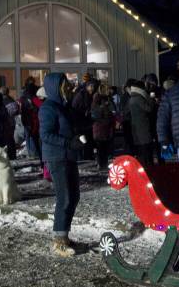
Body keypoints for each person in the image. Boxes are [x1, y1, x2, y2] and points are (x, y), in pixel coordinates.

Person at [39, 72, 82, 257]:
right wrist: (68, 142)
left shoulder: (63, 106)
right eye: (64, 85)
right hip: (57, 157)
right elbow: (45, 135)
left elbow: (70, 127)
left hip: (68, 156)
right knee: (64, 197)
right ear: (55, 87)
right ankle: (58, 241)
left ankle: (64, 235)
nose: (68, 88)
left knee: (74, 195)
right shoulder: (48, 108)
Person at [124, 79, 157, 165]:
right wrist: (152, 99)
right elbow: (149, 109)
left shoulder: (132, 98)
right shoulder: (138, 98)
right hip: (143, 128)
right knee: (146, 152)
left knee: (142, 152)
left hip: (138, 128)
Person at [91, 85, 116, 171]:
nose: (108, 91)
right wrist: (105, 108)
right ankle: (101, 165)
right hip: (100, 128)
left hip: (106, 128)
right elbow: (96, 113)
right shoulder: (97, 99)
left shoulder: (108, 99)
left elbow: (113, 111)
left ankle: (103, 164)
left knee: (105, 148)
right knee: (100, 148)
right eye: (106, 89)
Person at [19, 79, 41, 159]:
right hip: (33, 120)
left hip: (25, 119)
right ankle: (34, 153)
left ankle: (30, 153)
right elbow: (41, 105)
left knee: (28, 136)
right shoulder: (33, 97)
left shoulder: (23, 97)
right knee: (33, 136)